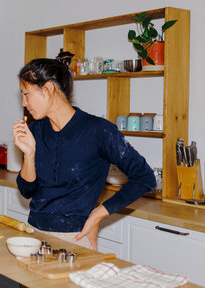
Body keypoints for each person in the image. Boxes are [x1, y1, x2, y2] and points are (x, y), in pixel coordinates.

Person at [12, 58, 156, 250]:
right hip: (33, 235)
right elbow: (26, 191)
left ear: (47, 89)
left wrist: (98, 214)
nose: (24, 102)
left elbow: (145, 178)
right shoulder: (35, 130)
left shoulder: (98, 130)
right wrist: (29, 154)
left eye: (26, 94)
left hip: (75, 239)